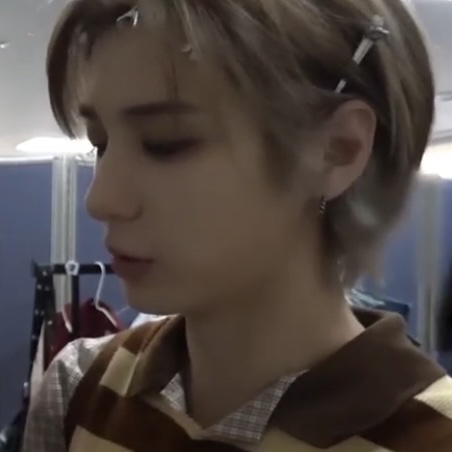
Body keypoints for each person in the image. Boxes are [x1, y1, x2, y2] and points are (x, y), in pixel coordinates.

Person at [22, 0, 452, 451]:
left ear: (338, 149)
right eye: (100, 143)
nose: (101, 200)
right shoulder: (82, 389)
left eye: (165, 143)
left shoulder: (432, 436)